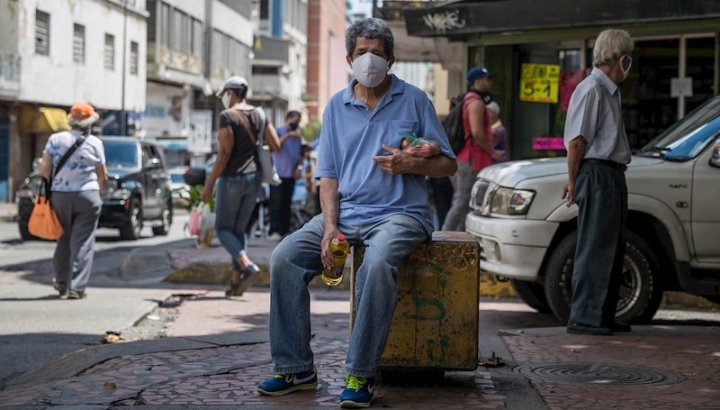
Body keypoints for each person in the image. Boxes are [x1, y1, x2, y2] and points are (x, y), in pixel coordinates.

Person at [257, 18, 457, 408]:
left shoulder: (415, 99)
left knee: (376, 265)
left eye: (378, 54)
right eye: (362, 53)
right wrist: (330, 228)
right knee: (284, 258)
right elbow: (327, 175)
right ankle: (295, 366)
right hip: (347, 212)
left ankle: (360, 373)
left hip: (401, 214)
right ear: (349, 57)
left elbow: (447, 165)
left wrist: (410, 164)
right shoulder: (335, 106)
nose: (370, 61)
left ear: (392, 59)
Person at [563, 29, 634, 336]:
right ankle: (585, 317)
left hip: (611, 173)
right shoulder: (592, 89)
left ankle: (602, 314)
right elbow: (577, 141)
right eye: (627, 59)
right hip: (598, 173)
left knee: (613, 246)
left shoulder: (608, 90)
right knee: (595, 246)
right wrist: (572, 180)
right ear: (621, 59)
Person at [201, 76, 281, 297]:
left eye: (224, 95)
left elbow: (225, 152)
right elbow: (275, 144)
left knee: (223, 229)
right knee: (238, 230)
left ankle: (247, 265)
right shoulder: (260, 113)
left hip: (232, 178)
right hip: (254, 178)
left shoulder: (227, 116)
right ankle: (236, 283)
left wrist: (209, 184)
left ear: (230, 93)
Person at [38, 101, 107, 299]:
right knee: (83, 241)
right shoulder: (95, 143)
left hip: (60, 195)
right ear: (89, 123)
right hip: (88, 195)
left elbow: (44, 170)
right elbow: (103, 174)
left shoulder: (55, 139)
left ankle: (61, 283)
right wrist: (99, 192)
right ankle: (76, 287)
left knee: (63, 238)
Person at [442, 67, 504, 231]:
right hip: (470, 159)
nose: (489, 82)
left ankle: (459, 241)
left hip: (467, 158)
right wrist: (493, 152)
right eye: (487, 79)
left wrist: (491, 135)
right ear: (477, 81)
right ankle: (443, 237)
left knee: (468, 202)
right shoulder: (475, 102)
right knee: (463, 200)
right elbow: (476, 132)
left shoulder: (469, 99)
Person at [269, 110, 303, 239]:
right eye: (294, 122)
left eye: (297, 122)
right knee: (276, 203)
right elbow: (275, 146)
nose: (295, 125)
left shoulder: (297, 137)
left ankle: (284, 230)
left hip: (290, 174)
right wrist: (288, 135)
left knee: (286, 204)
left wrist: (298, 167)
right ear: (287, 119)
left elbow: (299, 155)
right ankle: (274, 230)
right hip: (277, 174)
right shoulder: (278, 131)